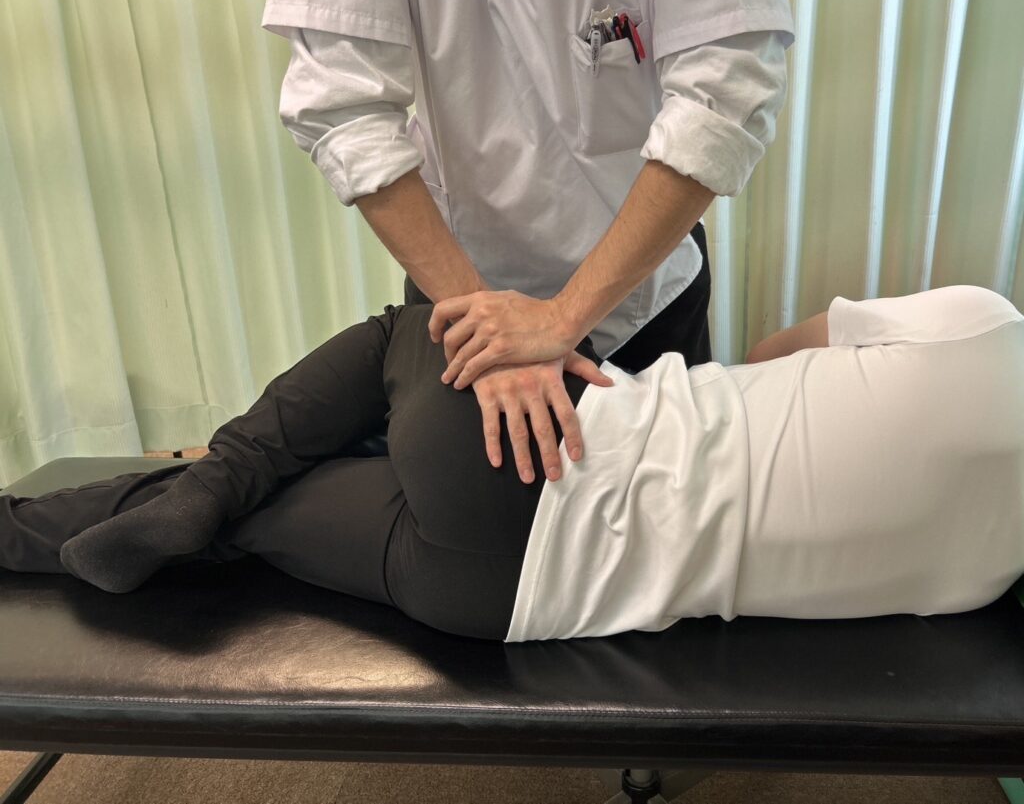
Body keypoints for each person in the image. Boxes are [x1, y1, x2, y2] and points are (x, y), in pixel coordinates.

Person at [3, 284, 1022, 643]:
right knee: (257, 519)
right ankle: (202, 497)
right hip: (510, 597)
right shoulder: (993, 569)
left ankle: (213, 474)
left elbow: (769, 353)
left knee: (408, 330)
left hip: (534, 444)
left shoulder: (986, 326)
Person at [262, 0, 795, 481]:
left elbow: (723, 96)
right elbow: (344, 103)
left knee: (665, 507)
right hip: (459, 288)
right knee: (470, 508)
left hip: (643, 297)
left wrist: (562, 318)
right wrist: (487, 330)